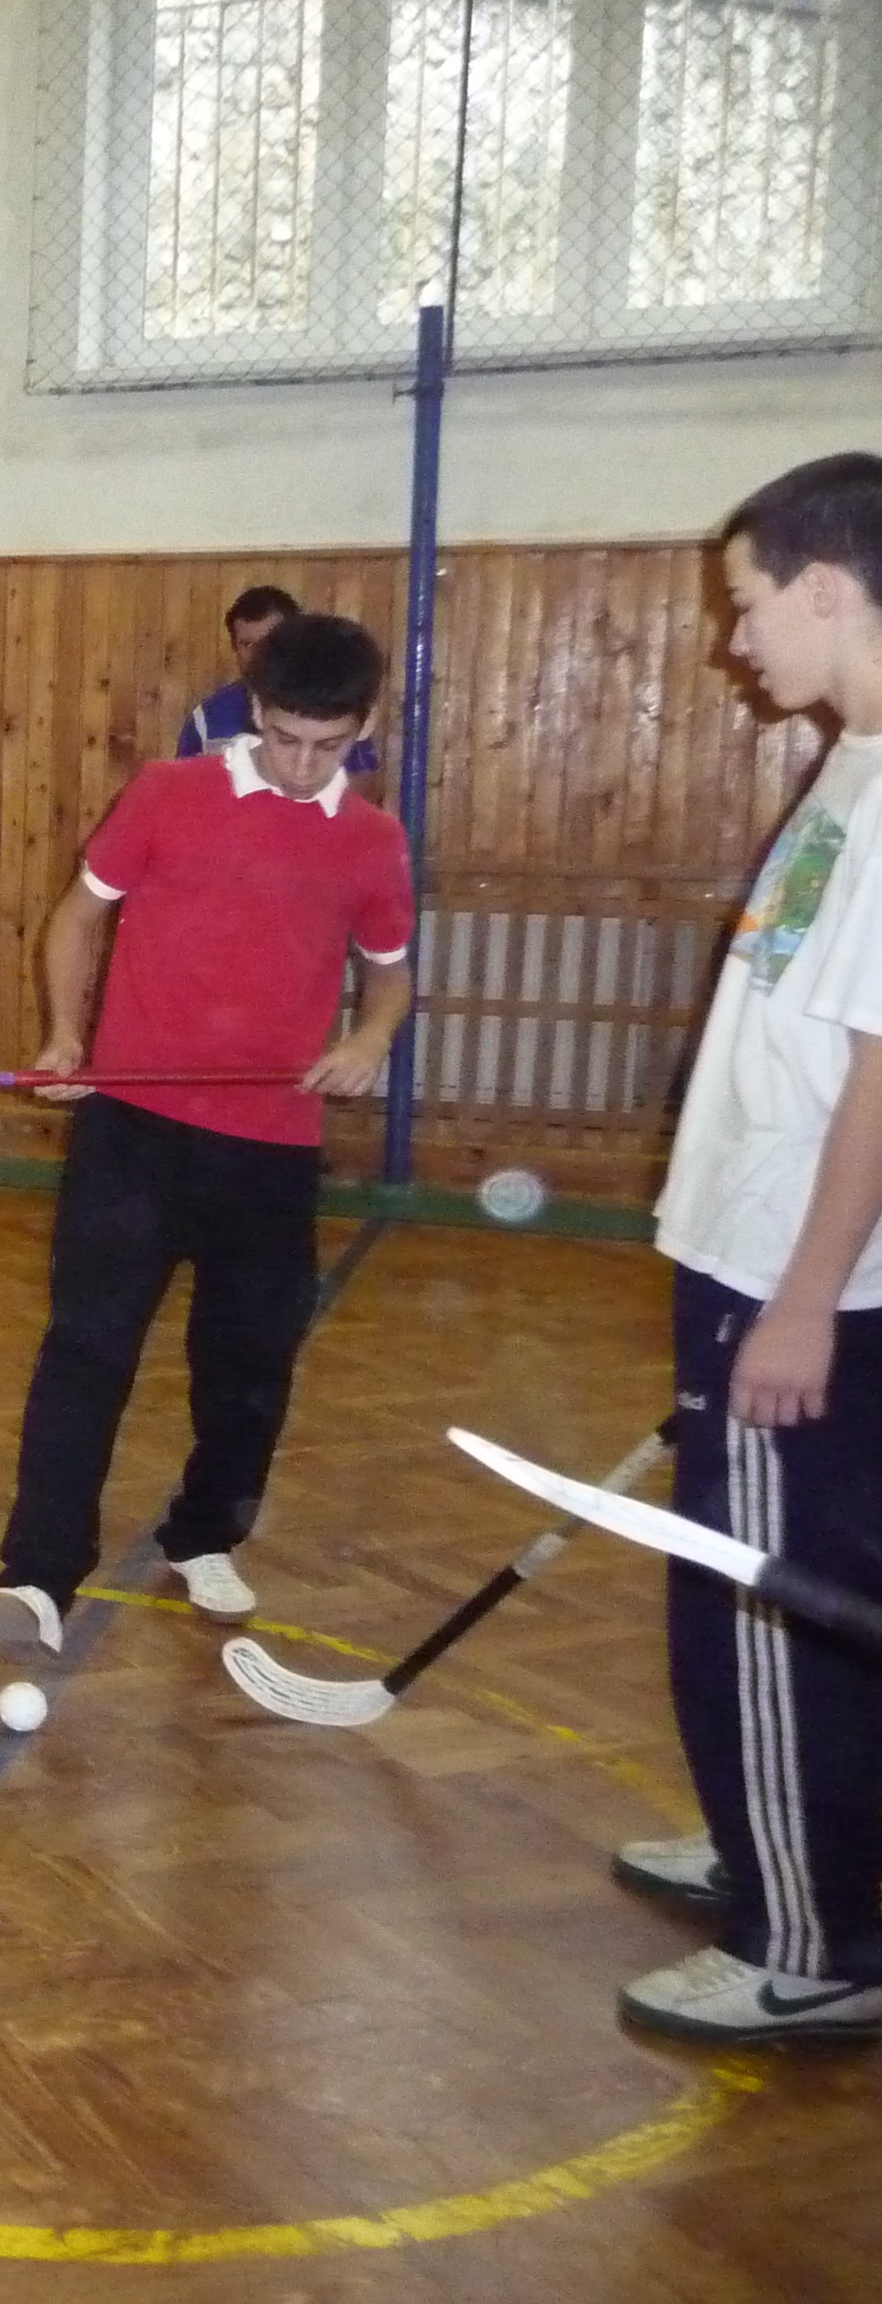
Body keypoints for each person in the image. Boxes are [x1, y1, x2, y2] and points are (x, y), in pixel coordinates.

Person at [0, 613, 413, 1662]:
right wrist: (66, 1035)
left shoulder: (373, 841)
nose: (302, 765)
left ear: (364, 727)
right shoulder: (168, 794)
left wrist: (369, 1037)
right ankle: (36, 1575)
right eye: (285, 738)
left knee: (249, 1365)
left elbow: (390, 973)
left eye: (327, 746)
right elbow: (77, 917)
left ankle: (206, 1533)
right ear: (254, 710)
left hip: (271, 1144)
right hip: (133, 1129)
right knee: (87, 1349)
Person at [615, 451, 882, 2044]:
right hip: (753, 1258)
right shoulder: (853, 757)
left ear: (831, 589)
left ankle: (810, 1936)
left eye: (748, 603)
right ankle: (766, 1839)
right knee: (757, 1588)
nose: (735, 640)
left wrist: (802, 1302)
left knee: (772, 1598)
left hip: (798, 1274)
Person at [179, 584, 378, 788]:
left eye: (270, 641)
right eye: (247, 644)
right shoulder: (206, 716)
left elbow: (365, 785)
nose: (259, 653)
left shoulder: (338, 707)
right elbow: (185, 786)